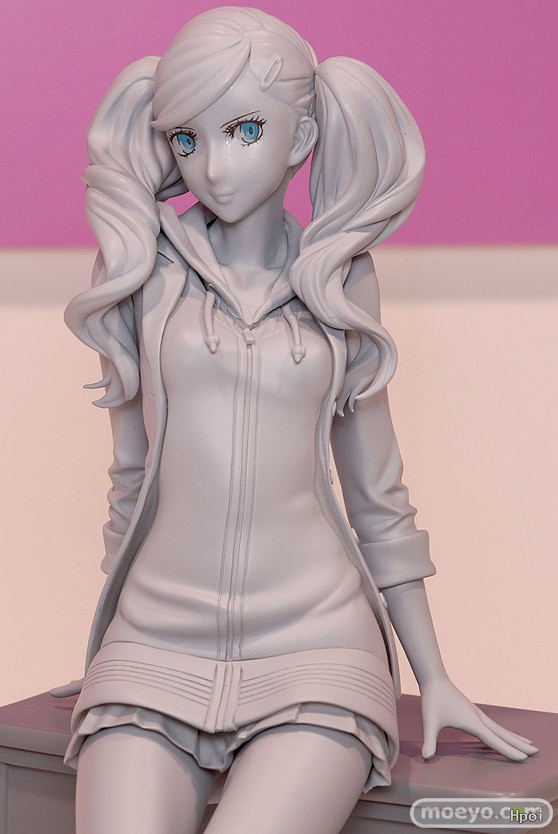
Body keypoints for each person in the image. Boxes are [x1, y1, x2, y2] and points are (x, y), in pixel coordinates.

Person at [61, 8, 536, 833]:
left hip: (319, 647)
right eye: (187, 139)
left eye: (244, 130)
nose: (213, 166)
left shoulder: (340, 277)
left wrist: (434, 674)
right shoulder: (138, 267)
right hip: (154, 644)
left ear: (302, 135)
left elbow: (378, 494)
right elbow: (132, 477)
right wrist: (105, 646)